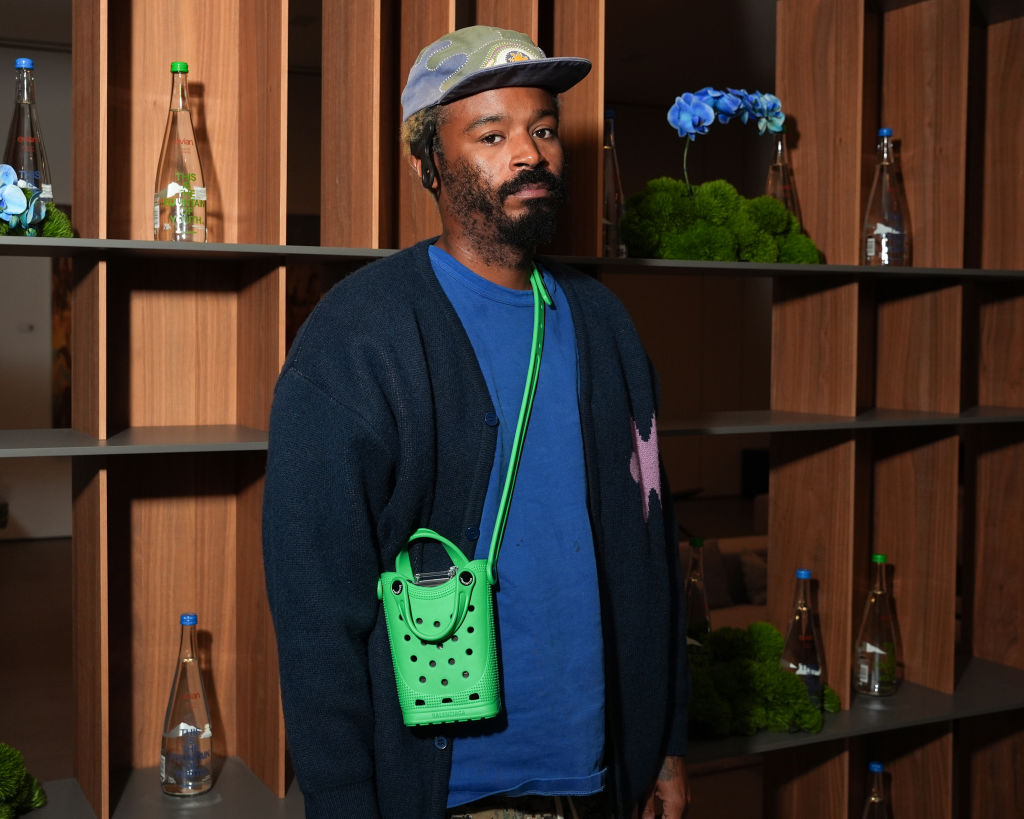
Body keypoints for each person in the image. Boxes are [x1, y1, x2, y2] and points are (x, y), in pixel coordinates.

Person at [262, 25, 691, 819]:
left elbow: (652, 550)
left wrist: (663, 739)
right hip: (452, 794)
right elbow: (318, 613)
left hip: (602, 776)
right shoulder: (357, 337)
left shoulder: (605, 324)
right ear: (426, 162)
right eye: (492, 135)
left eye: (543, 130)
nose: (529, 153)